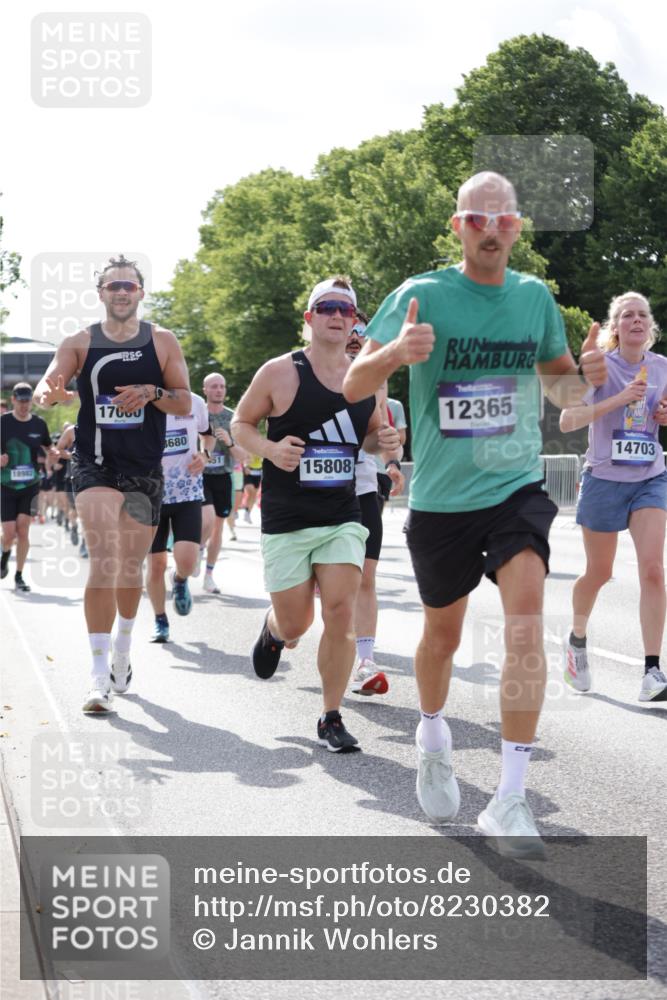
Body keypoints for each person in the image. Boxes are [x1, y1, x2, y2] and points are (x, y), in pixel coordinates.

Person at [343, 171, 607, 855]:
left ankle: (510, 798)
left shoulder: (532, 298)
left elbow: (559, 389)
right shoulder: (420, 294)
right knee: (442, 639)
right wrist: (398, 354)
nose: (492, 230)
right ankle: (432, 736)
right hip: (439, 499)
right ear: (458, 226)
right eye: (477, 219)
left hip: (514, 486)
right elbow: (352, 381)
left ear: (518, 228)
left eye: (505, 220)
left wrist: (587, 375)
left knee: (524, 624)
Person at [232, 276, 400, 751]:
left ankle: (331, 715)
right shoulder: (279, 372)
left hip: (342, 513)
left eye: (344, 310)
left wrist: (383, 442)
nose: (335, 315)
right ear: (309, 319)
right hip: (286, 516)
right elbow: (240, 423)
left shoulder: (365, 375)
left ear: (353, 321)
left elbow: (368, 435)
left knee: (341, 612)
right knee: (297, 624)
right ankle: (273, 629)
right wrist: (268, 448)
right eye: (325, 307)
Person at [34, 254, 191, 713]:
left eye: (129, 285)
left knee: (130, 568)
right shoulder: (80, 342)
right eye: (112, 286)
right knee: (104, 559)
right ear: (100, 293)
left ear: (140, 293)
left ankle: (123, 649)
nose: (121, 292)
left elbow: (183, 402)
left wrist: (152, 393)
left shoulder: (162, 341)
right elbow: (49, 382)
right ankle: (98, 676)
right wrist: (51, 394)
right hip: (94, 465)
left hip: (144, 470)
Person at [561, 292, 667, 702]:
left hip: (649, 477)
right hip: (604, 479)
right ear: (615, 327)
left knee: (654, 570)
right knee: (599, 572)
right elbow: (569, 420)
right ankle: (577, 641)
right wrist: (617, 400)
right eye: (627, 316)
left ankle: (652, 672)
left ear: (650, 326)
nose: (636, 320)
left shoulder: (662, 368)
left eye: (643, 314)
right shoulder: (598, 368)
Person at [345, 314, 404, 696]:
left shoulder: (376, 380)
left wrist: (392, 464)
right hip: (311, 491)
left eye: (362, 331)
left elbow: (381, 432)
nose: (354, 336)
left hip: (363, 486)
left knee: (364, 577)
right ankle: (280, 624)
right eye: (347, 325)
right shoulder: (301, 371)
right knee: (299, 605)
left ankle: (365, 663)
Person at [146, 392, 213, 642]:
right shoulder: (143, 400)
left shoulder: (195, 402)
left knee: (186, 560)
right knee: (155, 564)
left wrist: (205, 456)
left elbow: (208, 436)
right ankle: (160, 619)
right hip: (150, 494)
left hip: (187, 491)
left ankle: (180, 578)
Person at [1, 383, 53, 591]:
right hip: (5, 484)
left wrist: (55, 453)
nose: (24, 406)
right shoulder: (3, 422)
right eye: (20, 401)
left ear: (32, 401)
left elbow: (50, 447)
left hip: (30, 484)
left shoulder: (39, 424)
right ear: (13, 400)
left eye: (27, 401)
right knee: (10, 533)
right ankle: (4, 554)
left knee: (23, 531)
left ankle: (19, 576)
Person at [200, 372, 246, 594]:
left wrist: (229, 442)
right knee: (206, 519)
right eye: (214, 386)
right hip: (200, 476)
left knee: (218, 526)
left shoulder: (233, 418)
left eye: (222, 386)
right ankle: (198, 549)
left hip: (223, 477)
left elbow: (243, 456)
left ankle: (209, 574)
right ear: (205, 390)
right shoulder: (198, 415)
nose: (219, 390)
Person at [241, 453, 263, 523]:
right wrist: (245, 466)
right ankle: (246, 509)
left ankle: (247, 512)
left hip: (258, 471)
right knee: (251, 491)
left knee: (253, 495)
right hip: (248, 470)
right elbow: (243, 454)